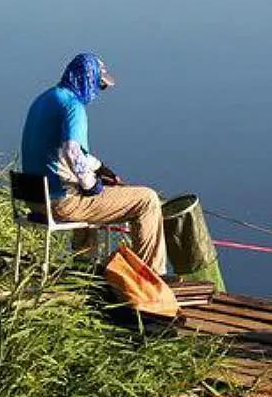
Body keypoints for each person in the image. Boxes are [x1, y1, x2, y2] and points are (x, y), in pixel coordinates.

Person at [20, 53, 168, 274]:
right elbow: (72, 150)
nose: (99, 91)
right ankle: (151, 277)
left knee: (84, 192)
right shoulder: (73, 106)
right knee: (147, 200)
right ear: (88, 80)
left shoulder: (44, 100)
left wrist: (100, 169)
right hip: (60, 203)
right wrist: (91, 184)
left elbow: (63, 151)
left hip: (35, 200)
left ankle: (83, 269)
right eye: (100, 84)